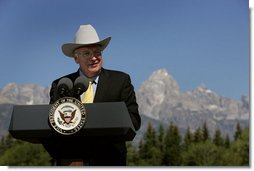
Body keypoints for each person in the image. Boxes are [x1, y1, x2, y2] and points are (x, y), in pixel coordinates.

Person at [45, 24, 141, 166]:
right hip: (71, 160)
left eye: (97, 52)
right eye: (87, 53)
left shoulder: (120, 81)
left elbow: (134, 120)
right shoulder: (62, 85)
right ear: (76, 58)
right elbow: (53, 123)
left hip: (110, 160)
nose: (94, 58)